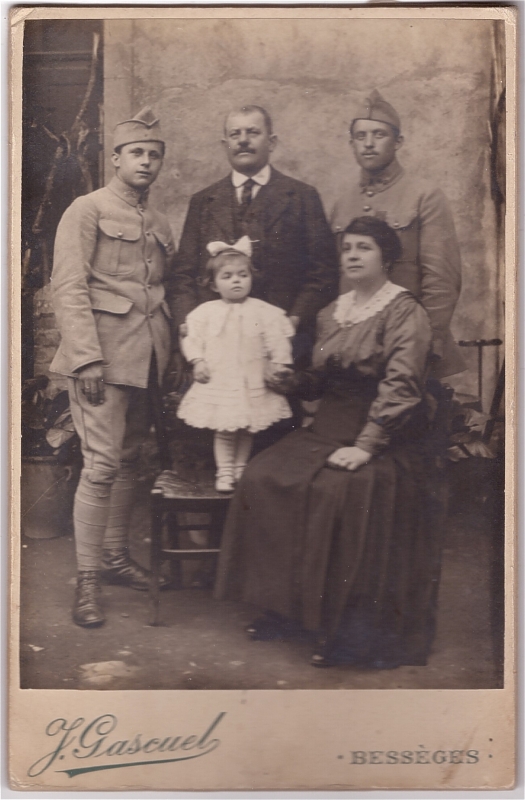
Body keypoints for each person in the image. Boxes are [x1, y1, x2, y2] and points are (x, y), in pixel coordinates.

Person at [215, 216, 439, 670]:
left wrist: (367, 445)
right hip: (325, 430)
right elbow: (320, 380)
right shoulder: (331, 312)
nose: (352, 256)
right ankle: (286, 610)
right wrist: (291, 381)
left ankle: (352, 634)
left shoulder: (404, 312)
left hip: (382, 436)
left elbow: (402, 387)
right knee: (264, 476)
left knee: (340, 492)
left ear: (388, 257)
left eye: (365, 248)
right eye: (347, 248)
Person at [50, 107, 174, 628]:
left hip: (148, 359)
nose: (146, 162)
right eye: (137, 153)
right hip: (102, 358)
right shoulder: (87, 209)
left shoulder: (159, 221)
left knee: (133, 461)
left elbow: (158, 293)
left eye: (154, 155)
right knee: (101, 467)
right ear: (116, 159)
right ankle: (87, 581)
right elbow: (69, 287)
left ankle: (117, 558)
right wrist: (86, 358)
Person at [170, 104, 339, 379]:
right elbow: (182, 275)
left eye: (253, 132)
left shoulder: (302, 197)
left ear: (271, 142)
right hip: (215, 350)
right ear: (225, 144)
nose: (244, 140)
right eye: (235, 134)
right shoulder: (203, 202)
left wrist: (294, 319)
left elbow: (324, 273)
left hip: (279, 346)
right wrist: (187, 323)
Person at [330, 90, 464, 379]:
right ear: (351, 143)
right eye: (360, 136)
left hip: (406, 344)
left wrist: (425, 343)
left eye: (378, 135)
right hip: (355, 349)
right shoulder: (342, 204)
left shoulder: (424, 196)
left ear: (398, 141)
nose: (368, 144)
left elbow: (441, 281)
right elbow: (337, 280)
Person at [177, 237, 294, 492]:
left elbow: (277, 340)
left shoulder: (264, 311)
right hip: (222, 378)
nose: (236, 281)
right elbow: (192, 339)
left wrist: (280, 363)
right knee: (226, 428)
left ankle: (241, 468)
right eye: (227, 276)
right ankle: (225, 471)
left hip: (252, 378)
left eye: (242, 275)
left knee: (247, 428)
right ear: (214, 284)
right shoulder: (205, 313)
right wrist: (197, 361)